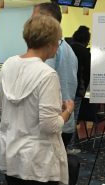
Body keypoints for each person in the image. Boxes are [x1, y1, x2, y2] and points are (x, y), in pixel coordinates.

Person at [0, 15, 74, 185]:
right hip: (38, 159)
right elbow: (50, 125)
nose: (57, 45)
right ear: (50, 43)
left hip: (11, 152)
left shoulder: (8, 65)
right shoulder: (47, 74)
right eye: (58, 41)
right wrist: (67, 112)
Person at [33, 2, 78, 149]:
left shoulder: (50, 48)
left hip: (53, 124)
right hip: (64, 122)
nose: (30, 23)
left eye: (34, 18)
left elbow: (41, 82)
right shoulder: (68, 49)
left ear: (47, 20)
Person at [69, 25, 91, 145]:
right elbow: (87, 74)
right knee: (73, 117)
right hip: (77, 90)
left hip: (65, 89)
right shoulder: (85, 53)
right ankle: (70, 145)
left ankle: (64, 144)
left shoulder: (68, 49)